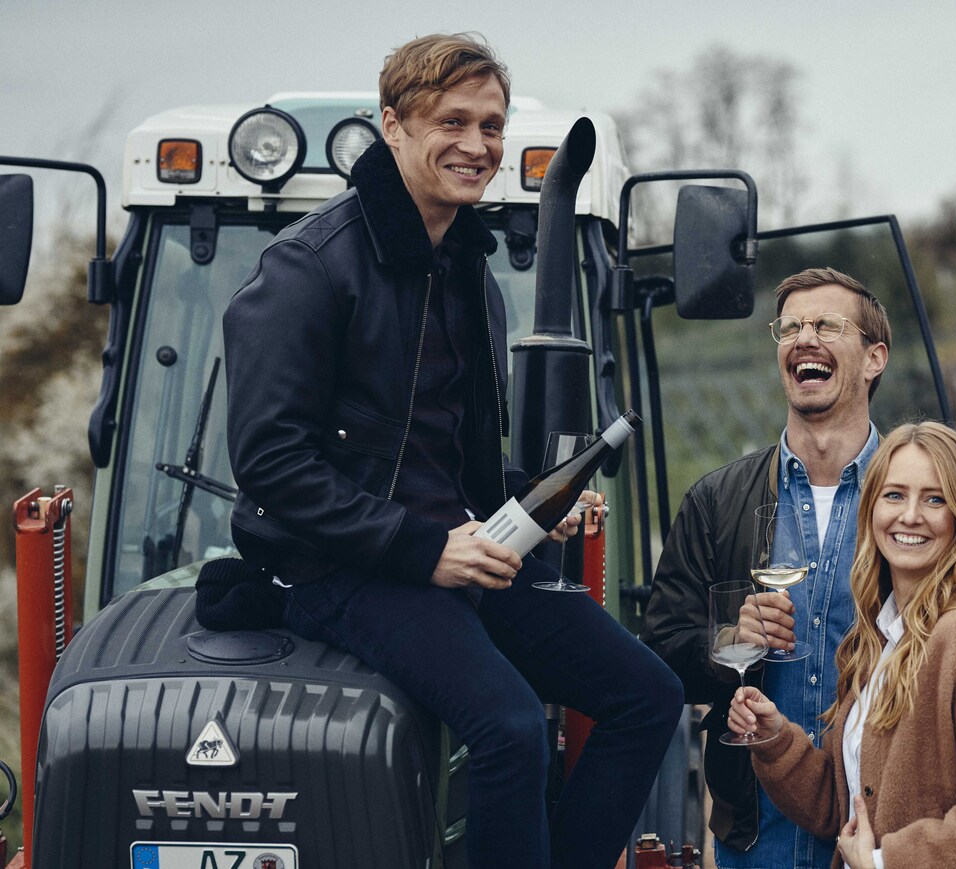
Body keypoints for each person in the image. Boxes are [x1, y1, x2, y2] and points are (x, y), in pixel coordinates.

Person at [222, 33, 682, 869]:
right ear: (392, 126)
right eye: (453, 121)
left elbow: (435, 451)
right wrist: (424, 547)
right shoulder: (307, 269)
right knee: (507, 726)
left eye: (492, 126)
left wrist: (533, 497)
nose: (477, 146)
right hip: (338, 565)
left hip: (453, 544)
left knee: (648, 693)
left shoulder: (466, 270)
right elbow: (272, 464)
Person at [728, 422, 956, 869]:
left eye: (935, 499)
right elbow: (850, 805)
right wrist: (775, 739)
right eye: (894, 495)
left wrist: (887, 861)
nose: (910, 515)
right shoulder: (880, 637)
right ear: (871, 510)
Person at [643, 267, 892, 868]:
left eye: (827, 325)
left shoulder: (923, 502)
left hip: (885, 830)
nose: (804, 338)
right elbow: (659, 653)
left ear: (873, 358)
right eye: (790, 327)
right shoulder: (715, 501)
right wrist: (727, 641)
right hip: (758, 836)